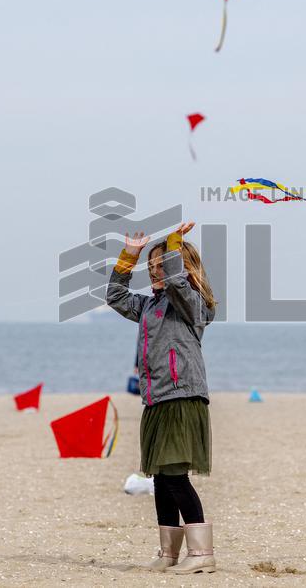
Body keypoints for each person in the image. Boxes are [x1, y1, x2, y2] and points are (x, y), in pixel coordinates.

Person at [106, 222, 217, 575]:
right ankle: (168, 553)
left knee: (174, 475)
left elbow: (178, 284)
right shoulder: (149, 307)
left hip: (183, 397)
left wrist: (172, 246)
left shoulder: (194, 306)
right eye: (151, 267)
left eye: (162, 265)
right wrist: (129, 257)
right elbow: (116, 297)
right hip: (155, 400)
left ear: (182, 268)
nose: (155, 272)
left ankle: (202, 555)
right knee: (160, 477)